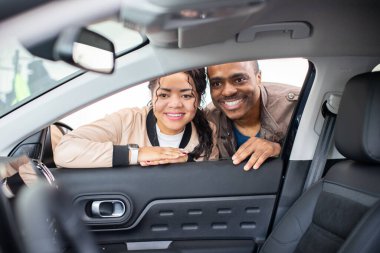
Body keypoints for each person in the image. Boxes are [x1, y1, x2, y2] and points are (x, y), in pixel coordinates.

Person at [54, 68, 219, 168]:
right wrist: (137, 154)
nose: (175, 104)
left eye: (186, 96)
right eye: (164, 95)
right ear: (151, 93)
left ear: (199, 97)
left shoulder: (208, 130)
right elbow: (65, 150)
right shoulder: (126, 121)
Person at [206, 60, 300, 171]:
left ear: (258, 77)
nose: (228, 92)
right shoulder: (208, 118)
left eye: (239, 80)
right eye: (217, 84)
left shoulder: (298, 105)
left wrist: (279, 150)